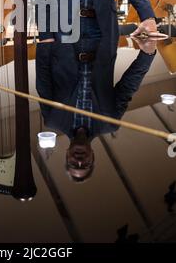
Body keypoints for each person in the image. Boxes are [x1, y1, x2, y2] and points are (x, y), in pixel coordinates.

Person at [36, 35, 156, 182]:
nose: (79, 161)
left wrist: (44, 41)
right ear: (92, 157)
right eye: (85, 165)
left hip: (64, 39)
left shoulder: (53, 120)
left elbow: (43, 81)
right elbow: (128, 87)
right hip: (101, 36)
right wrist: (147, 55)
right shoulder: (110, 123)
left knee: (49, 11)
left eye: (73, 164)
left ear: (67, 155)